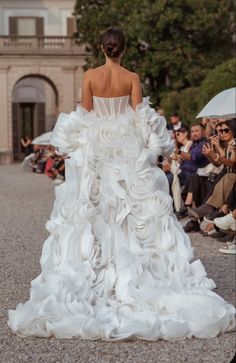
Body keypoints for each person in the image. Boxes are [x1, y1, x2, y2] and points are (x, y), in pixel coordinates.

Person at [8, 27, 235, 341]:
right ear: (124, 50)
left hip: (99, 150)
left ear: (102, 48)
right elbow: (140, 118)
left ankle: (98, 272)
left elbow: (85, 115)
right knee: (134, 212)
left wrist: (74, 144)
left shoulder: (89, 76)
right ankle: (133, 276)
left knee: (94, 211)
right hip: (127, 151)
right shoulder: (132, 78)